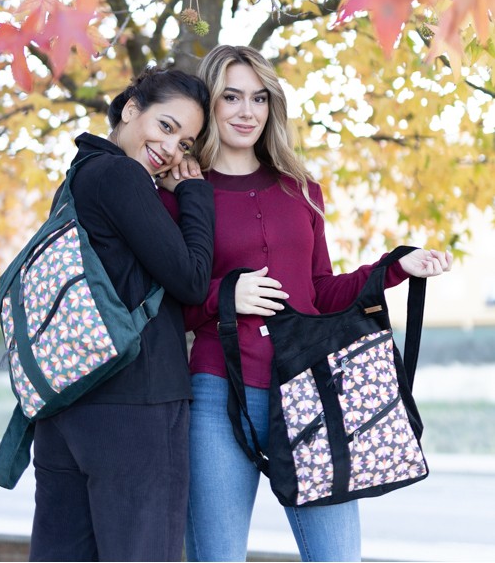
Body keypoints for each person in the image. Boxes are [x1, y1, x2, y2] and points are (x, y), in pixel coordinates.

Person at [161, 45, 453, 563]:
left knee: (338, 557)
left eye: (258, 98)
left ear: (272, 107)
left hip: (310, 393)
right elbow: (168, 305)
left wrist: (394, 268)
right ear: (211, 103)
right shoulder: (183, 192)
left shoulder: (302, 191)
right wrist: (227, 296)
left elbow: (318, 292)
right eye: (231, 97)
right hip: (217, 397)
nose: (246, 111)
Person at [29, 67, 215, 563]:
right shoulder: (121, 176)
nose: (174, 151)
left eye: (187, 144)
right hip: (137, 408)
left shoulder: (77, 177)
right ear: (132, 109)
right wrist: (195, 195)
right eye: (168, 126)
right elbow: (192, 280)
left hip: (66, 407)